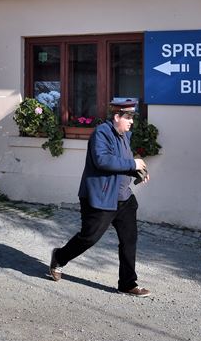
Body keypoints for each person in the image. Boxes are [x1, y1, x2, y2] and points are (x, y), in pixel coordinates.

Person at [48, 98, 152, 296]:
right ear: (116, 117)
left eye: (132, 117)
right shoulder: (101, 133)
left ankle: (128, 284)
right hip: (101, 198)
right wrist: (132, 165)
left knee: (129, 241)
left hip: (124, 199)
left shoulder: (125, 136)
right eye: (128, 117)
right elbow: (103, 161)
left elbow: (123, 162)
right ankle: (60, 256)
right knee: (88, 238)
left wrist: (138, 171)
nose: (131, 122)